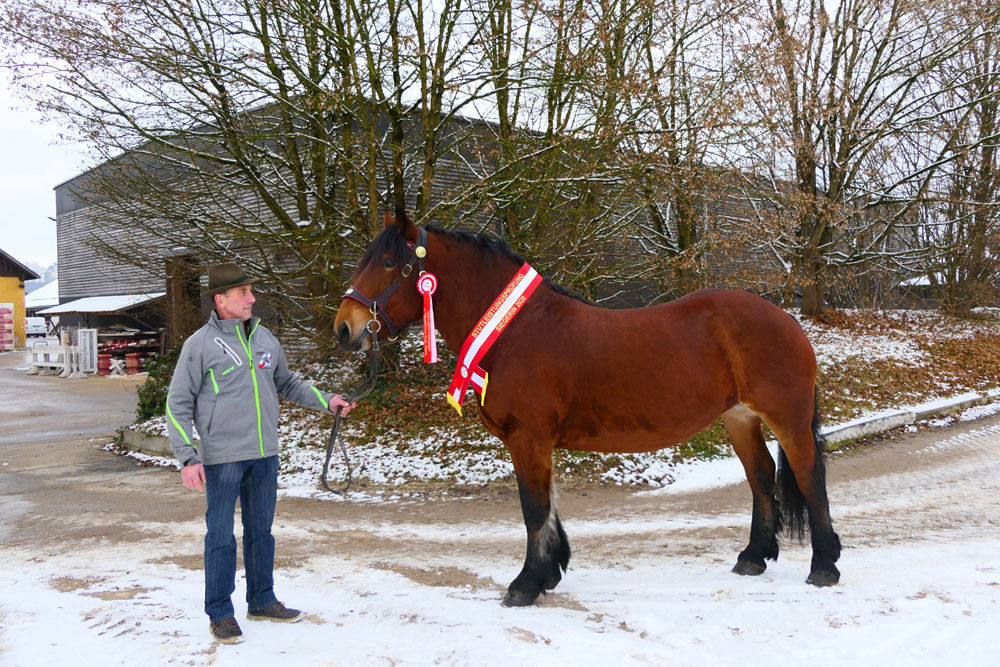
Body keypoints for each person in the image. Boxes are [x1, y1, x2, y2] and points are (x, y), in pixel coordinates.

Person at [166, 262, 355, 644]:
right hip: (221, 459)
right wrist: (188, 457)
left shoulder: (265, 338)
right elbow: (176, 403)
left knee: (261, 533)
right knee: (220, 537)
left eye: (251, 291)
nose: (252, 298)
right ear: (221, 300)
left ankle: (262, 600)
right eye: (243, 293)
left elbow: (287, 382)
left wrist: (327, 401)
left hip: (265, 455)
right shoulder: (198, 345)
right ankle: (220, 613)